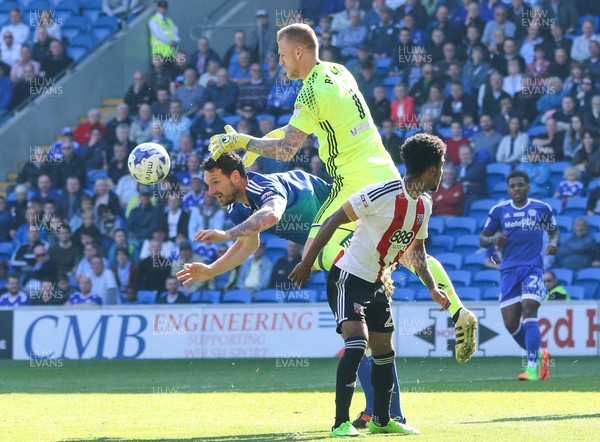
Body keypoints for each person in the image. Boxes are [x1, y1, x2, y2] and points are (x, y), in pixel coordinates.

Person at [205, 20, 475, 347]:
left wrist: (244, 142)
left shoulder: (311, 91)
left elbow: (287, 149)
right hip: (385, 173)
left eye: (282, 55)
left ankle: (372, 293)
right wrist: (249, 145)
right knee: (408, 253)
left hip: (354, 181)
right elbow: (295, 132)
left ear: (299, 51)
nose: (280, 62)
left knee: (316, 253)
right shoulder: (338, 71)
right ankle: (460, 312)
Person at [288, 133, 450, 436]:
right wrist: (307, 262)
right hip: (347, 277)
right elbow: (335, 218)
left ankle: (382, 420)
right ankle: (340, 424)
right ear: (431, 169)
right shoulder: (383, 192)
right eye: (441, 166)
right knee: (357, 343)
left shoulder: (424, 205)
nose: (442, 172)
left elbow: (418, 251)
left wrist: (431, 287)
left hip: (375, 283)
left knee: (385, 353)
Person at [480, 170, 558, 381]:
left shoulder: (541, 209)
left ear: (528, 187)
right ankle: (540, 356)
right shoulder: (499, 211)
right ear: (508, 189)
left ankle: (532, 367)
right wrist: (496, 238)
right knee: (511, 323)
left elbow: (554, 231)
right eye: (513, 185)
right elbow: (482, 240)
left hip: (533, 267)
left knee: (529, 309)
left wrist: (553, 244)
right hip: (508, 271)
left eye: (520, 185)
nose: (517, 189)